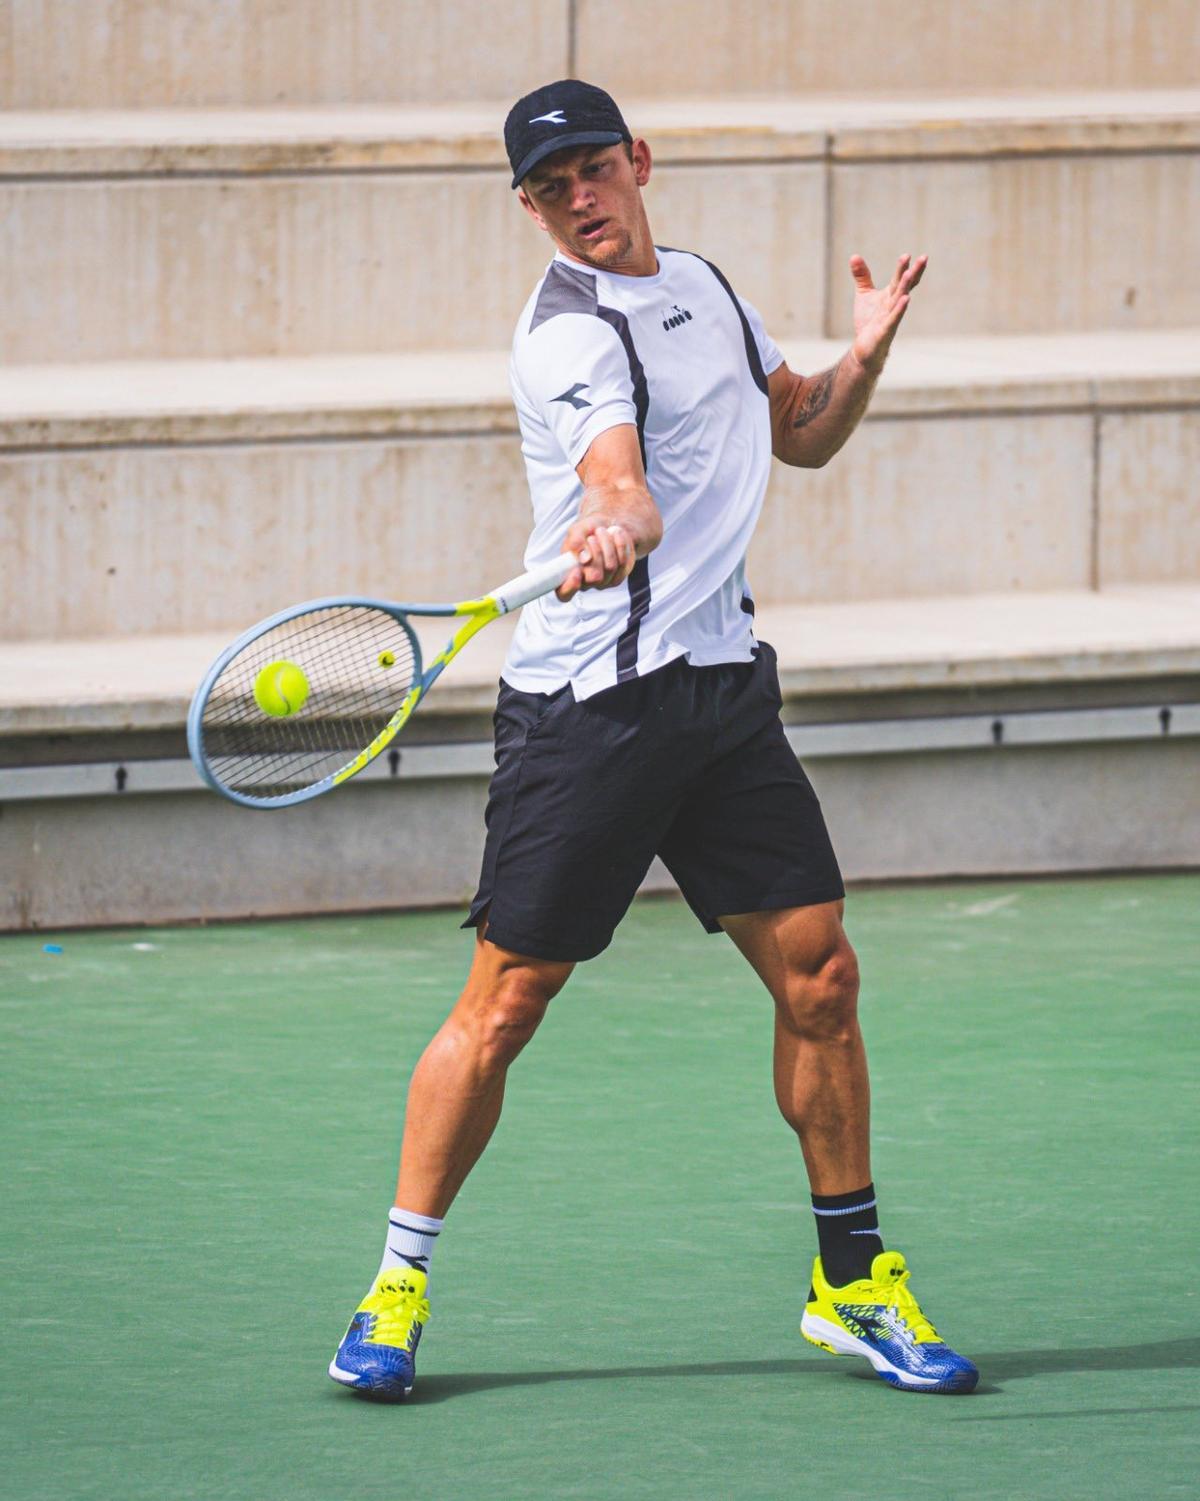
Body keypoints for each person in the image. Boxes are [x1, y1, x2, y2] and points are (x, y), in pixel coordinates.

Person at [329, 79, 977, 1401]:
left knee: (824, 978)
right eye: (549, 186)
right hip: (593, 712)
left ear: (639, 160)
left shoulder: (707, 286)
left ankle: (852, 1283)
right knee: (507, 1002)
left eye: (593, 169)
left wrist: (863, 357)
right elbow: (617, 471)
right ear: (529, 207)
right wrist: (613, 512)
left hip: (722, 695)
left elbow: (798, 436)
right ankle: (396, 1285)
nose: (579, 200)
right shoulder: (565, 336)